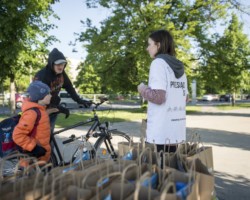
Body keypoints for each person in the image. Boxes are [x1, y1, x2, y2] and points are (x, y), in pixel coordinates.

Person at [138, 30, 188, 156]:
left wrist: (142, 89)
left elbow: (159, 98)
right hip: (176, 127)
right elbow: (185, 98)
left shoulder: (158, 63)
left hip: (162, 128)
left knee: (163, 168)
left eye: (150, 44)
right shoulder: (179, 67)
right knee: (171, 166)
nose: (147, 48)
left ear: (158, 45)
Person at [34, 48, 91, 133]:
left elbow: (69, 88)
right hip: (40, 112)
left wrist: (80, 101)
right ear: (51, 64)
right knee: (42, 139)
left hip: (53, 110)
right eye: (58, 64)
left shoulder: (62, 74)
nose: (61, 66)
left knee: (50, 137)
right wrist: (58, 107)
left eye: (63, 64)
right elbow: (37, 97)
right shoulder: (42, 75)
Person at [13, 81, 52, 163]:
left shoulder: (41, 109)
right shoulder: (32, 113)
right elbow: (18, 135)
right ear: (40, 96)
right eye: (48, 94)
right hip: (32, 159)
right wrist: (34, 148)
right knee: (34, 176)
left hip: (41, 157)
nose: (50, 96)